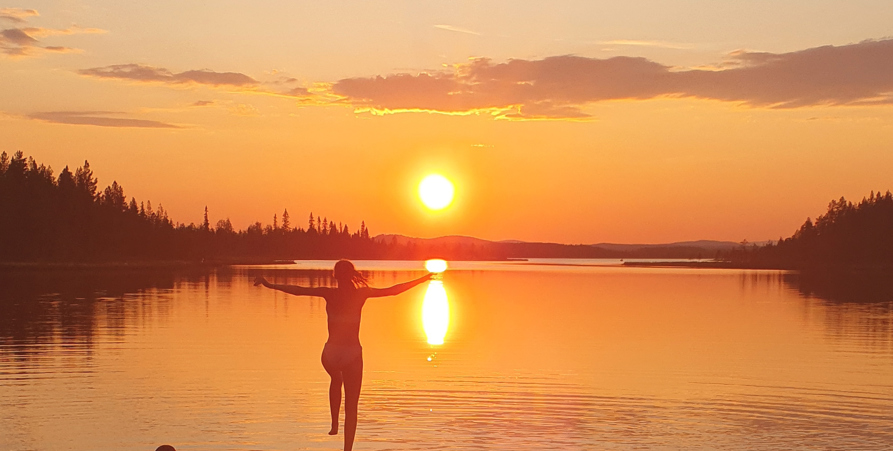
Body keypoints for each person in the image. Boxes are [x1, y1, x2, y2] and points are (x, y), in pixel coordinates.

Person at [254, 260, 432, 451]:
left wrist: (269, 284)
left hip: (331, 353)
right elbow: (393, 290)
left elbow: (298, 290)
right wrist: (422, 280)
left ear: (335, 276)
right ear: (352, 275)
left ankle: (334, 424)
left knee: (335, 378)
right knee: (351, 407)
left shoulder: (329, 293)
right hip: (352, 354)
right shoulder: (362, 294)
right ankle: (347, 449)